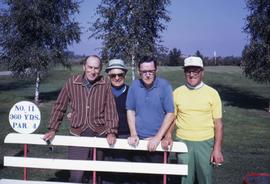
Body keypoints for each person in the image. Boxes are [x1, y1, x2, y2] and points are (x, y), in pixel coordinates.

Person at [43, 55, 119, 183]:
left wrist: (111, 131)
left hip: (99, 133)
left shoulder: (105, 83)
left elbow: (110, 109)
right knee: (76, 175)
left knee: (96, 175)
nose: (93, 71)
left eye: (96, 68)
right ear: (84, 67)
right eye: (90, 67)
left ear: (100, 69)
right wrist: (52, 129)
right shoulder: (72, 82)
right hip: (77, 134)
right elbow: (60, 106)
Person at [162, 56, 224, 184]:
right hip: (183, 142)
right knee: (185, 179)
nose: (191, 75)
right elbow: (172, 118)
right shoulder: (177, 93)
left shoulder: (212, 93)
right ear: (185, 73)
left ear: (202, 73)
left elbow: (218, 125)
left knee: (205, 178)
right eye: (188, 71)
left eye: (195, 71)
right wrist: (168, 135)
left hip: (205, 143)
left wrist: (217, 149)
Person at [126, 56, 175, 184]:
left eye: (151, 71)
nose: (147, 75)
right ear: (139, 72)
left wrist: (158, 138)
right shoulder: (135, 86)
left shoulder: (164, 86)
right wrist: (133, 134)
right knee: (138, 180)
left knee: (156, 180)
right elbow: (130, 110)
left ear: (156, 70)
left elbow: (170, 113)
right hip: (138, 143)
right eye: (144, 72)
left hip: (157, 144)